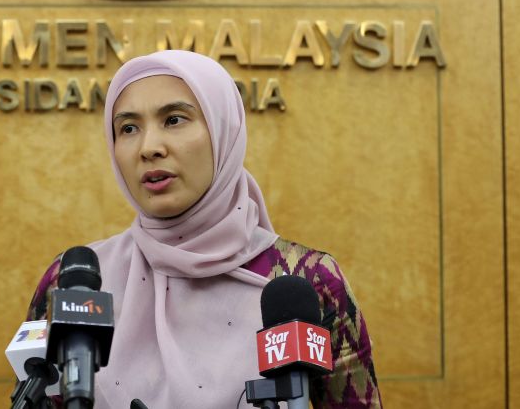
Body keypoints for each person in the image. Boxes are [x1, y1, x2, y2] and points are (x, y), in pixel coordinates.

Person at [26, 50, 382, 408]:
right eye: (128, 128)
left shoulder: (309, 282)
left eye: (175, 119)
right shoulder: (75, 282)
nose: (149, 148)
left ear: (222, 129)